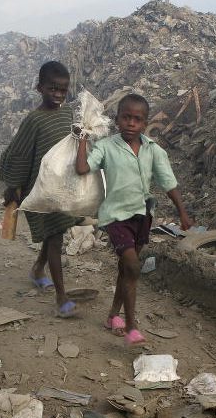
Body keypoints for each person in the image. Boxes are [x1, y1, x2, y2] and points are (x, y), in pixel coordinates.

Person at [75, 93, 192, 345]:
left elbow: (168, 183)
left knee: (125, 269)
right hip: (115, 217)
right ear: (117, 120)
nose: (131, 123)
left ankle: (112, 316)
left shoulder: (153, 150)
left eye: (137, 119)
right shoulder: (106, 147)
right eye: (126, 117)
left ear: (145, 122)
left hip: (142, 216)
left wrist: (182, 212)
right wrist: (83, 138)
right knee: (133, 266)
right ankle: (131, 326)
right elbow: (83, 168)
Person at [0, 61, 81, 318]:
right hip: (41, 191)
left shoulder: (68, 113)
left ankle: (37, 270)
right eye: (52, 89)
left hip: (64, 188)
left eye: (63, 90)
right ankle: (61, 298)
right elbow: (18, 154)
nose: (58, 94)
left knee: (55, 232)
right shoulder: (33, 120)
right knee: (55, 236)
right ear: (39, 88)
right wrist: (13, 186)